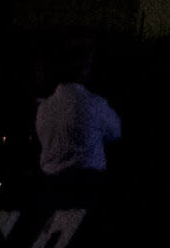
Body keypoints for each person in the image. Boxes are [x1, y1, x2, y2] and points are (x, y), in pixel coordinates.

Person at [34, 41, 125, 206]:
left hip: (50, 188)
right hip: (86, 188)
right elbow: (116, 132)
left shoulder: (44, 108)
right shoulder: (94, 104)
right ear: (82, 70)